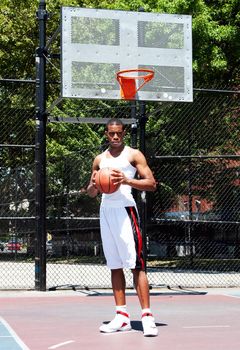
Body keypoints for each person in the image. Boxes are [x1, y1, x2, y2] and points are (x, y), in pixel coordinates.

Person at [87, 118, 158, 337]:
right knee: (114, 265)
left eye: (118, 133)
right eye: (111, 133)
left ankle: (147, 317)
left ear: (124, 132)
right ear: (106, 134)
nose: (115, 137)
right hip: (106, 212)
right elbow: (91, 192)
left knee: (136, 265)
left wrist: (126, 181)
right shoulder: (99, 160)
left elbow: (152, 184)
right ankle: (122, 317)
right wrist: (94, 184)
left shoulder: (133, 155)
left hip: (126, 211)